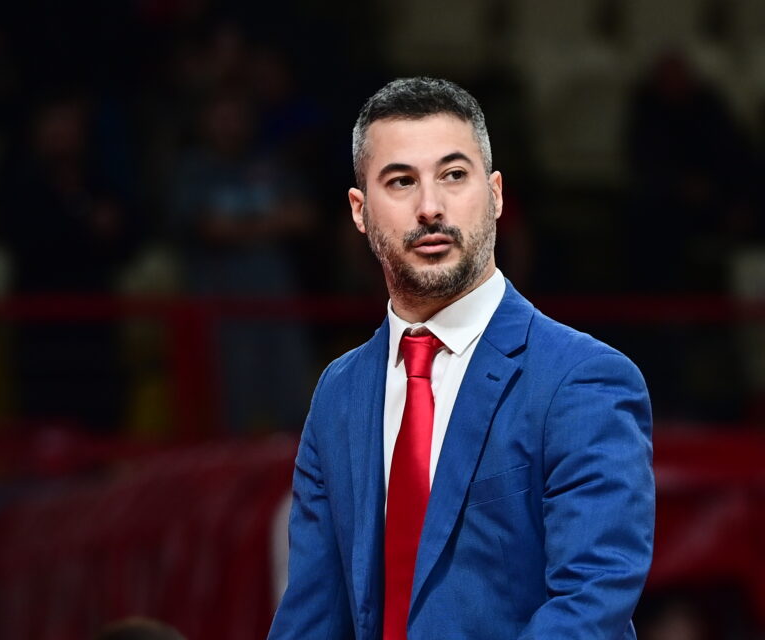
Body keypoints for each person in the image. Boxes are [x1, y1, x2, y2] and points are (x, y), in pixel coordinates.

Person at [268, 77, 654, 639]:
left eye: (453, 175)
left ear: (495, 195)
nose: (430, 207)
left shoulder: (583, 378)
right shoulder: (339, 391)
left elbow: (590, 600)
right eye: (401, 181)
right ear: (359, 210)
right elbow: (310, 614)